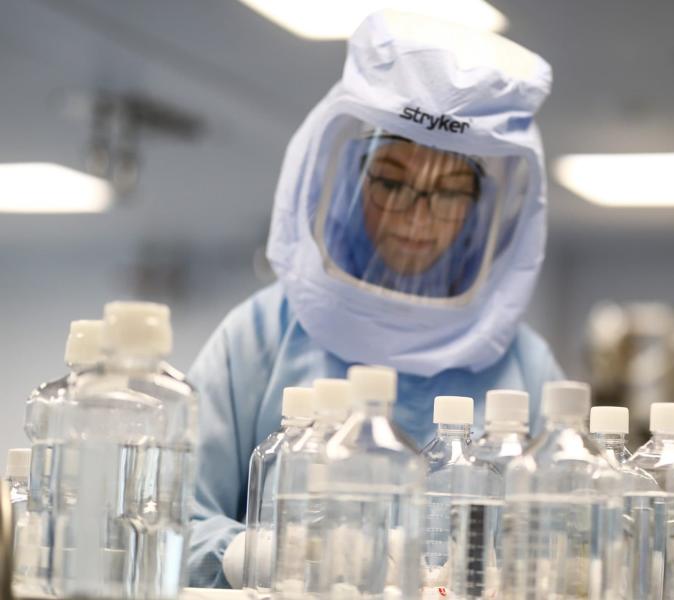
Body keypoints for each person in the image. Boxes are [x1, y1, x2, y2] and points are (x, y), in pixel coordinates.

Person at [187, 9, 561, 587]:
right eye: (390, 181)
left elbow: (572, 540)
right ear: (347, 177)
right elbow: (167, 517)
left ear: (481, 207)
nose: (416, 215)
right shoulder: (259, 339)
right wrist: (248, 555)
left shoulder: (526, 369)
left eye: (450, 191)